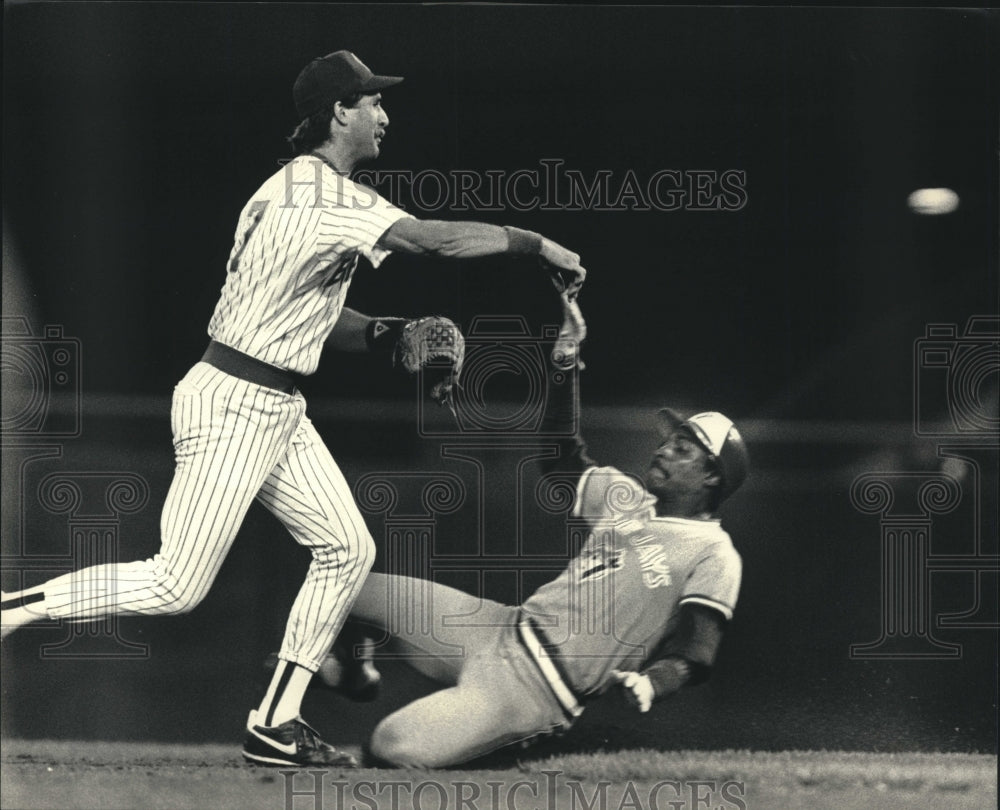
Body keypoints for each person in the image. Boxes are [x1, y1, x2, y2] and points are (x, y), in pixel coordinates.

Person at [0, 50, 585, 768]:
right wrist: (536, 245)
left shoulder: (292, 194)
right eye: (373, 102)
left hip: (271, 400)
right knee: (175, 582)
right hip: (235, 401)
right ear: (339, 112)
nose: (384, 114)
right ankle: (8, 610)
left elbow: (309, 315)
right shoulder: (319, 194)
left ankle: (274, 722)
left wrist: (387, 333)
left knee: (348, 550)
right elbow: (433, 238)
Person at [315, 286, 750, 768]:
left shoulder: (715, 554)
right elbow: (560, 458)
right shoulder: (627, 498)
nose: (664, 449)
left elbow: (698, 651)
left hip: (540, 687)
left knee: (388, 746)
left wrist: (653, 682)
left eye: (684, 448)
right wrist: (565, 363)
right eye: (671, 441)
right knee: (347, 586)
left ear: (712, 476)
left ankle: (514, 744)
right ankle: (354, 677)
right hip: (500, 627)